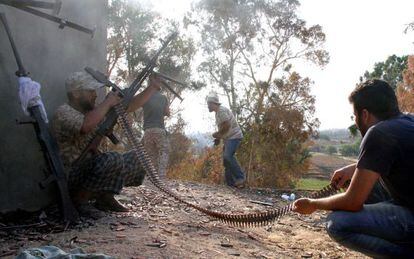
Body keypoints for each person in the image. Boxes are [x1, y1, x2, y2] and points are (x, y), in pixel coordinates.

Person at [293, 79, 414, 257]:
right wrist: (354, 168)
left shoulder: (378, 133)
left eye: (355, 116)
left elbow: (352, 201)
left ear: (364, 114)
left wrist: (313, 204)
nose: (356, 122)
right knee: (363, 185)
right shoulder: (407, 121)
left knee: (338, 223)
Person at [51, 71, 161, 215]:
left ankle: (105, 198)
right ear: (76, 94)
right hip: (71, 174)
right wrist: (108, 102)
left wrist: (152, 88)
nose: (95, 95)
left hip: (90, 170)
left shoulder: (93, 112)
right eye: (91, 91)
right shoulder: (63, 112)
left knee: (138, 157)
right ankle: (80, 201)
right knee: (112, 159)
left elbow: (128, 107)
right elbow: (86, 126)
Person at [207, 92, 245, 188]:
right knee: (226, 160)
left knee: (228, 156)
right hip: (229, 138)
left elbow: (227, 125)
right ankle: (230, 183)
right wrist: (219, 137)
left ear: (213, 103)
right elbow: (224, 127)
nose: (207, 106)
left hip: (234, 136)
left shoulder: (221, 111)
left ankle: (240, 178)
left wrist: (218, 134)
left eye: (208, 104)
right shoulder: (218, 113)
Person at [142, 88, 170, 179]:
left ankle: (150, 175)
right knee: (164, 151)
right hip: (159, 128)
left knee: (150, 154)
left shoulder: (144, 97)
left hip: (147, 130)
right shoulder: (163, 98)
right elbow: (167, 113)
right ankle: (161, 175)